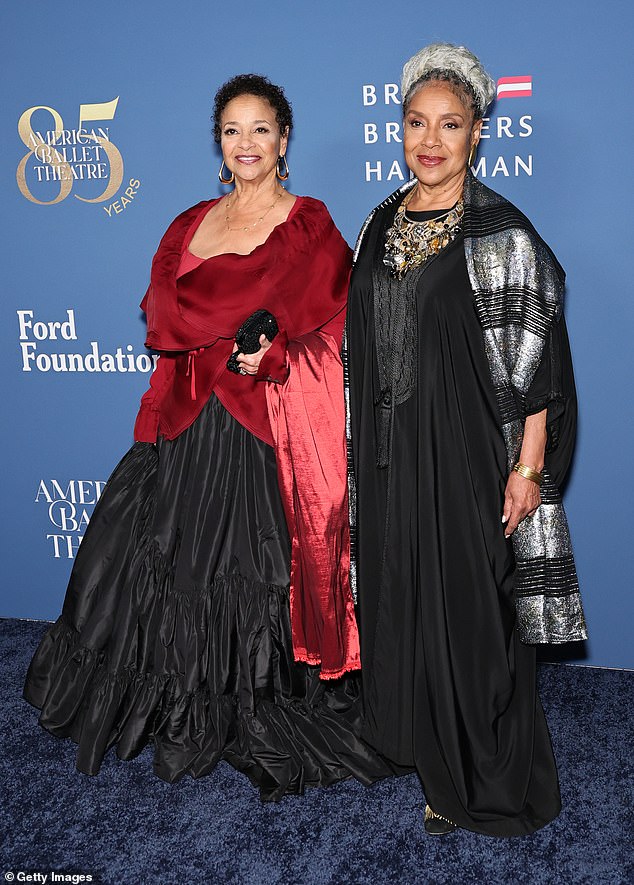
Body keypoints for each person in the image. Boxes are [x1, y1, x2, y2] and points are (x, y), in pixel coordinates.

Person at [24, 73, 394, 801]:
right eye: (232, 130)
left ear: (284, 140)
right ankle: (184, 709)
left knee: (254, 578)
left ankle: (259, 703)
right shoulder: (185, 228)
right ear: (219, 145)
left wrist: (281, 356)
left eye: (261, 128)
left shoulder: (311, 226)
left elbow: (346, 340)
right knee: (172, 573)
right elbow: (168, 340)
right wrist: (152, 429)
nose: (247, 143)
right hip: (190, 429)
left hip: (265, 433)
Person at [344, 43, 587, 836]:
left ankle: (482, 768)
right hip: (389, 455)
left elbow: (539, 364)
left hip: (470, 455)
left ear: (478, 132)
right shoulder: (378, 221)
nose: (431, 140)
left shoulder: (502, 234)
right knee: (401, 596)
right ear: (400, 127)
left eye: (451, 124)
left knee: (474, 614)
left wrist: (527, 466)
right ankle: (415, 741)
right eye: (417, 122)